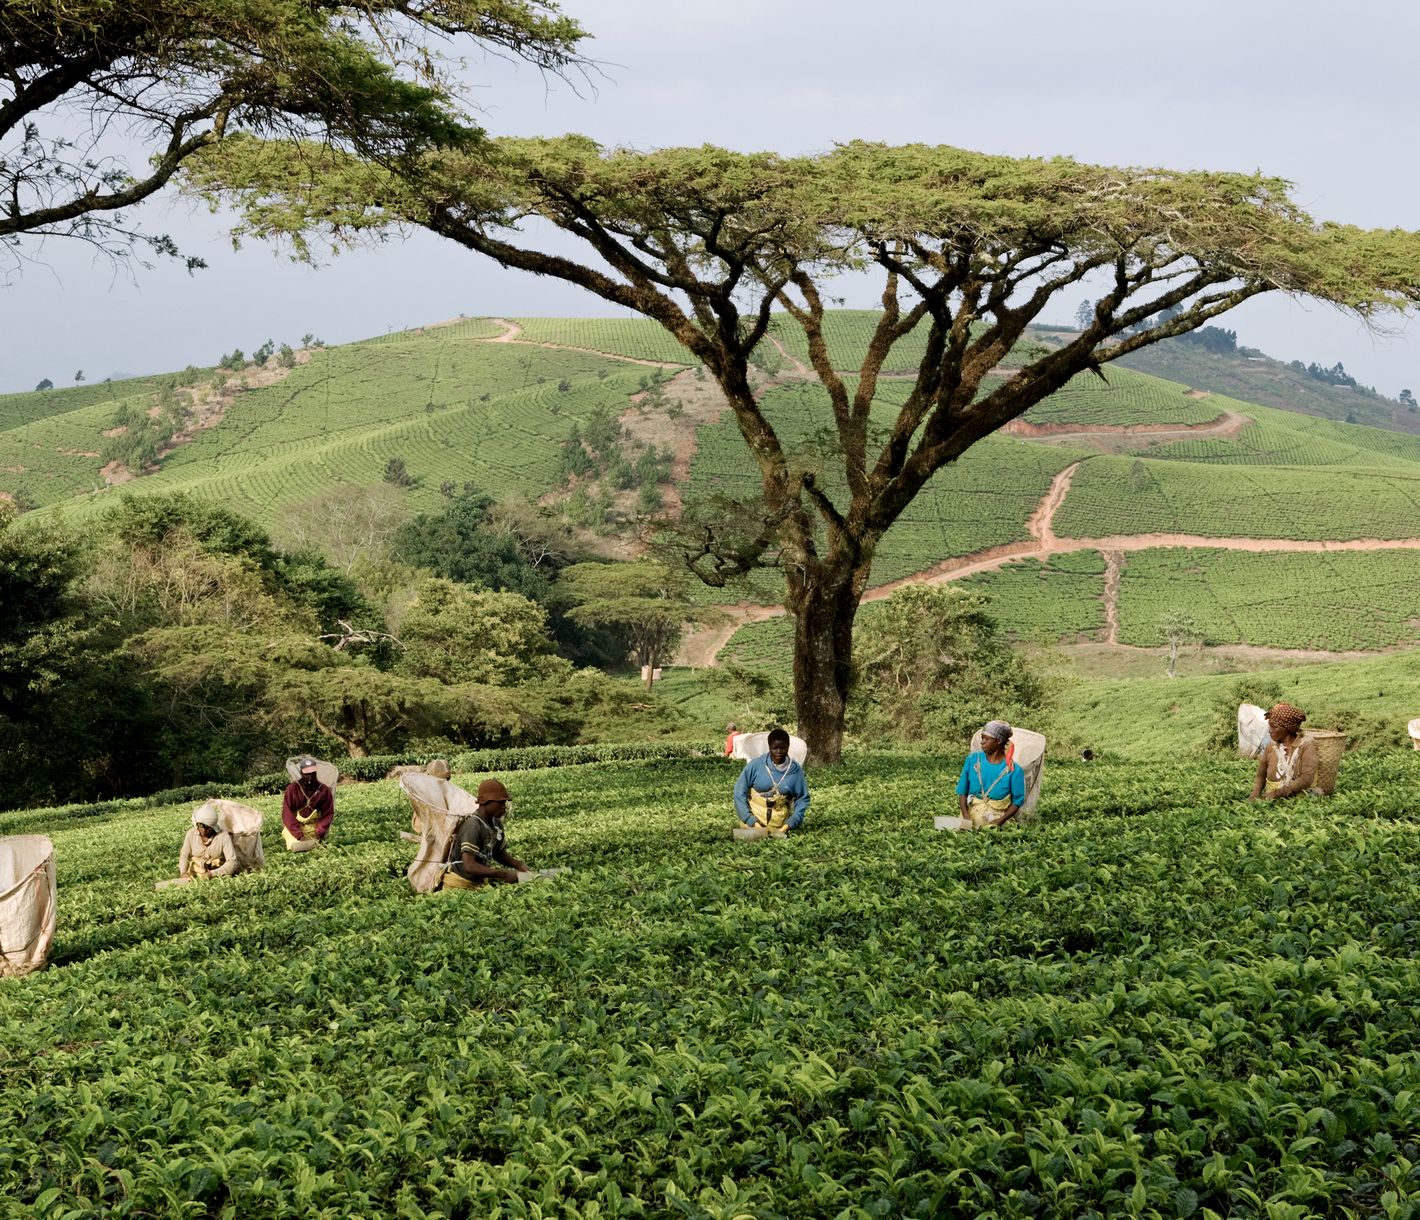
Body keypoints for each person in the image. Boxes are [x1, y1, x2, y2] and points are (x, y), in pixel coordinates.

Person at [442, 779, 531, 890]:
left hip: (478, 883)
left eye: (505, 802)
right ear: (485, 802)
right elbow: (469, 865)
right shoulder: (473, 826)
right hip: (459, 884)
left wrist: (519, 866)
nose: (504, 806)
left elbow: (499, 853)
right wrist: (502, 874)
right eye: (500, 802)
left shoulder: (496, 823)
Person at [734, 727, 809, 836]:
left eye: (782, 748)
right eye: (775, 748)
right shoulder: (755, 765)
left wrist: (789, 825)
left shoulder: (795, 770)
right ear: (769, 747)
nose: (779, 751)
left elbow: (802, 798)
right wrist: (750, 820)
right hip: (752, 825)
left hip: (781, 827)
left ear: (788, 747)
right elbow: (739, 792)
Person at [956, 720, 1026, 828]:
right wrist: (965, 814)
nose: (982, 742)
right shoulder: (973, 760)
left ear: (998, 741)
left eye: (986, 739)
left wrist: (1001, 820)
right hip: (970, 815)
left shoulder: (1013, 770)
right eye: (982, 738)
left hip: (996, 819)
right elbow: (962, 791)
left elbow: (1017, 801)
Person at [1249, 702, 1321, 800]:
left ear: (1287, 729)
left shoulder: (1306, 747)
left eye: (1274, 727)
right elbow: (1260, 775)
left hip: (1299, 800)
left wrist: (1277, 794)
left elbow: (1306, 780)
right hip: (1271, 797)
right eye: (1270, 726)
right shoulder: (1271, 747)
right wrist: (1255, 793)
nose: (1270, 730)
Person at [282, 757, 335, 852]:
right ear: (301, 773)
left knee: (315, 847)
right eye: (306, 774)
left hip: (313, 828)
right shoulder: (292, 789)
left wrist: (320, 832)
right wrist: (298, 835)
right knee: (295, 847)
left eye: (312, 773)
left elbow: (328, 813)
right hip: (295, 828)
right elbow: (287, 814)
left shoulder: (323, 790)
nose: (310, 776)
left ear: (316, 773)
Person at [176, 810, 238, 881]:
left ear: (213, 827)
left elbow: (232, 862)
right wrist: (183, 872)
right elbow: (184, 855)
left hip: (218, 876)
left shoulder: (223, 836)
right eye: (200, 826)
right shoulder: (191, 834)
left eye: (207, 828)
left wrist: (212, 874)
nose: (203, 830)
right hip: (195, 874)